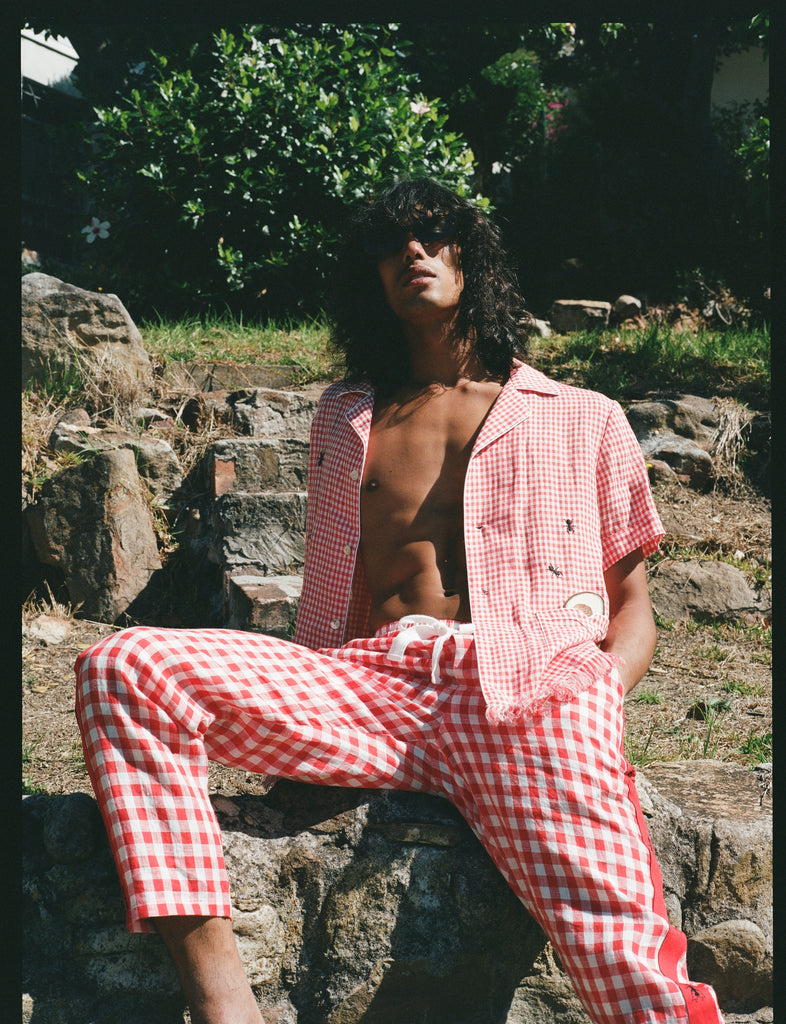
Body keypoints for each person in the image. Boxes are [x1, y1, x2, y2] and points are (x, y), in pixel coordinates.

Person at [75, 178, 724, 1024]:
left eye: (435, 235)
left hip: (523, 690)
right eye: (390, 245)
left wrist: (598, 693)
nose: (412, 254)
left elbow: (632, 602)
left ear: (472, 256)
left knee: (628, 964)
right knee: (126, 665)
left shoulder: (586, 417)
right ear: (368, 277)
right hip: (370, 685)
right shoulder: (345, 415)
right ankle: (226, 1009)